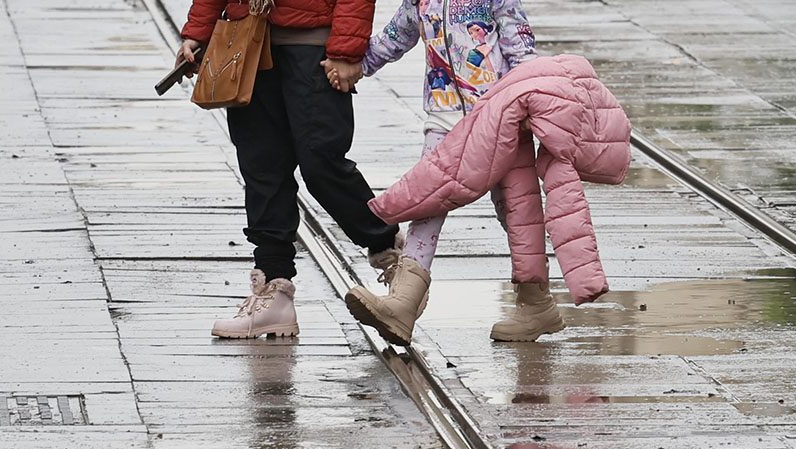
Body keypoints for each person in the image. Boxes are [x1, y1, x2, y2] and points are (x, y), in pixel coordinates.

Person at [174, 0, 401, 339]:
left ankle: (388, 249)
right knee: (262, 168)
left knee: (320, 162)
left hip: (314, 47)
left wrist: (345, 50)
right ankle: (273, 289)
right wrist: (198, 31)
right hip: (248, 40)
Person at [327, 0, 543, 346]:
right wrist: (356, 66)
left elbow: (520, 45)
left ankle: (536, 303)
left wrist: (529, 102)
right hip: (443, 120)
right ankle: (403, 304)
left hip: (499, 117)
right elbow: (394, 37)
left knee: (517, 210)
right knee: (427, 204)